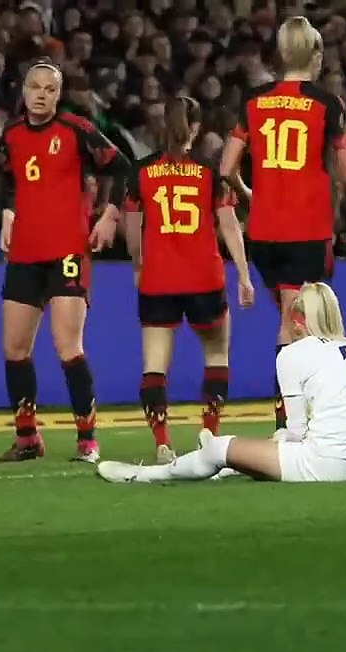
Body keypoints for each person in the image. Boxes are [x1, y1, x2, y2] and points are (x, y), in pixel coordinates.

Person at [219, 16, 346, 431]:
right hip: (304, 229)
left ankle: (296, 418)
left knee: (295, 321)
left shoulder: (253, 101)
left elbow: (226, 167)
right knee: (295, 325)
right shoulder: (328, 104)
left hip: (263, 233)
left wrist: (250, 193)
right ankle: (289, 424)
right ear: (316, 54)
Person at [96, 283, 346, 484]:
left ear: (298, 322)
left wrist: (274, 441)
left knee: (218, 449)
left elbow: (297, 433)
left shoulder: (293, 353)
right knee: (255, 454)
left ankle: (144, 475)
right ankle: (229, 464)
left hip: (326, 463)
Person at [0, 59, 129, 464]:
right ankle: (27, 437)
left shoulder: (75, 130)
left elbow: (123, 167)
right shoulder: (11, 135)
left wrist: (110, 214)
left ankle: (87, 440)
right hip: (25, 253)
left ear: (58, 94)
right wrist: (7, 210)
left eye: (50, 88)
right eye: (35, 87)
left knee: (68, 346)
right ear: (24, 91)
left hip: (68, 251)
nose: (41, 94)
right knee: (14, 348)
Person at [122, 96, 256, 463]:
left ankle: (162, 443)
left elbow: (132, 231)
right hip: (204, 279)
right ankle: (209, 436)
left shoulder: (140, 171)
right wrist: (244, 275)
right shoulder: (209, 172)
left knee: (154, 364)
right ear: (195, 128)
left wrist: (138, 265)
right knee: (216, 354)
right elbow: (229, 225)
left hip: (158, 279)